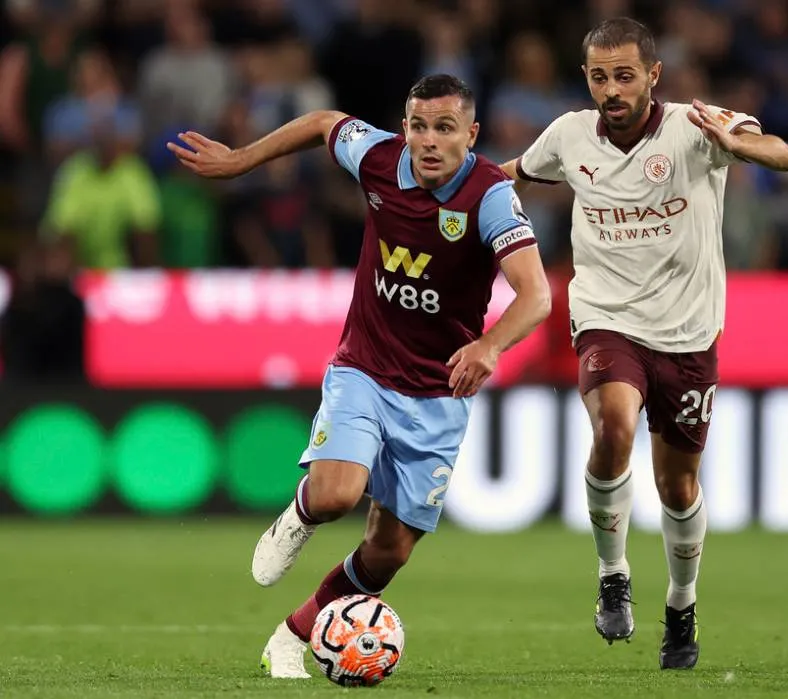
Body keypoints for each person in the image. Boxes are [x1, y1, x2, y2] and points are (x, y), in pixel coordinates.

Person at [169, 74, 551, 679]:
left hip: (438, 393)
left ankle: (293, 635)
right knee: (336, 494)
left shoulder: (491, 195)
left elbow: (536, 296)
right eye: (418, 126)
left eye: (445, 128)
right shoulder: (378, 158)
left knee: (389, 551)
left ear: (471, 135)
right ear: (405, 127)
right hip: (364, 369)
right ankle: (300, 514)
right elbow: (324, 121)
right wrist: (243, 160)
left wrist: (489, 344)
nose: (428, 141)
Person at [500, 18, 788, 669]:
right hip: (607, 319)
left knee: (678, 486)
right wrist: (445, 197)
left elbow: (785, 153)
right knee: (612, 427)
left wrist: (739, 144)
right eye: (600, 76)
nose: (612, 88)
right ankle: (613, 574)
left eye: (625, 75)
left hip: (689, 334)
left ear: (653, 75)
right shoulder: (569, 134)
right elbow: (510, 175)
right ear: (587, 78)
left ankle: (681, 604)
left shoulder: (696, 126)